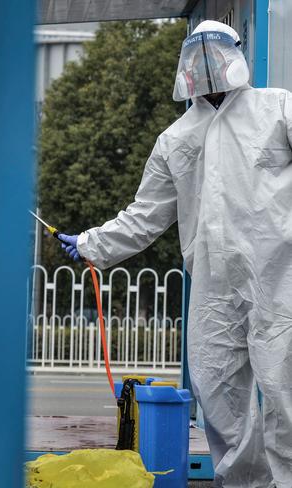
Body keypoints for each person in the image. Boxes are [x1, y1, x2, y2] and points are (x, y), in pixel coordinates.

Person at [59, 20, 292, 488]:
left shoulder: (278, 108)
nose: (208, 62)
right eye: (197, 53)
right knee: (220, 397)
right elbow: (145, 215)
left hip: (280, 280)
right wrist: (91, 244)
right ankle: (246, 485)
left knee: (285, 394)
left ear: (237, 54)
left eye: (217, 51)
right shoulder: (176, 139)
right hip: (214, 289)